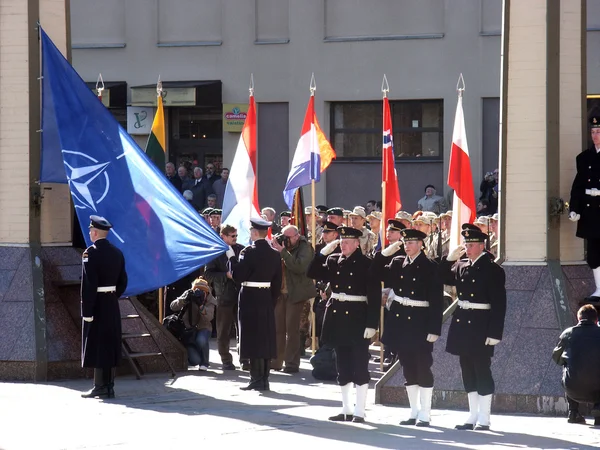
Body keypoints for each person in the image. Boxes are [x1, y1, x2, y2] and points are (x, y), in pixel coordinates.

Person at [307, 227, 380, 423]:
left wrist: (372, 324)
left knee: (359, 365)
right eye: (341, 241)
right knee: (342, 365)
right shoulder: (333, 260)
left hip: (357, 318)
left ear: (358, 244)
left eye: (347, 241)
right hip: (338, 317)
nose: (343, 244)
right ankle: (346, 408)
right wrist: (321, 253)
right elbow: (312, 272)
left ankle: (360, 411)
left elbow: (374, 296)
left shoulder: (366, 264)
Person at [374, 228, 443, 427]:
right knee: (407, 368)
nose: (407, 246)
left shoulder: (430, 266)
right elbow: (374, 272)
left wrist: (434, 329)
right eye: (405, 243)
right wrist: (384, 253)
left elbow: (436, 300)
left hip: (420, 321)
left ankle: (426, 413)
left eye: (411, 242)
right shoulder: (398, 263)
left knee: (423, 367)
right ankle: (414, 411)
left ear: (421, 244)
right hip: (400, 320)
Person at [440, 225, 507, 431]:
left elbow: (499, 304)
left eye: (471, 245)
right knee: (467, 369)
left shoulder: (493, 269)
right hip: (462, 322)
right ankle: (472, 415)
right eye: (466, 245)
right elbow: (442, 277)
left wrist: (495, 333)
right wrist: (449, 259)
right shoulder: (461, 265)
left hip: (481, 324)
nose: (467, 249)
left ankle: (484, 418)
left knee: (481, 369)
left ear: (481, 246)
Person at [231, 218, 282, 391]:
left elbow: (238, 275)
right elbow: (277, 283)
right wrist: (271, 300)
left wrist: (232, 259)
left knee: (252, 338)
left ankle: (255, 379)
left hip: (250, 297)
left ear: (254, 233)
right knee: (265, 338)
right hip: (266, 297)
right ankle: (264, 379)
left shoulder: (248, 252)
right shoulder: (275, 254)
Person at [80, 216, 128, 399]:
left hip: (98, 303)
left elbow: (89, 285)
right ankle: (109, 386)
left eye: (91, 230)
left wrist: (87, 311)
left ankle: (100, 386)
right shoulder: (117, 253)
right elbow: (123, 281)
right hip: (111, 303)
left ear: (95, 232)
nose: (90, 233)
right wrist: (113, 295)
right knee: (110, 343)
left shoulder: (90, 254)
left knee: (99, 344)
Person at [270, 225, 315, 373]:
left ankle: (291, 363)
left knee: (292, 329)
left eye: (288, 238)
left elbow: (299, 267)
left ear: (296, 236)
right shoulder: (281, 247)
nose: (285, 240)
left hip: (296, 293)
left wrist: (282, 251)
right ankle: (276, 361)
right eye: (284, 236)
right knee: (278, 329)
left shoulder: (305, 247)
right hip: (280, 293)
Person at [203, 225, 245, 370]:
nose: (235, 238)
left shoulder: (241, 249)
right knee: (223, 330)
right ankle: (226, 359)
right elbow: (208, 274)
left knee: (242, 329)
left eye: (236, 236)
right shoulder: (215, 252)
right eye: (232, 236)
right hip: (224, 296)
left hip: (241, 294)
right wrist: (225, 276)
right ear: (224, 236)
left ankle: (244, 358)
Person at [552, 304, 600, 426]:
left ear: (578, 318)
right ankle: (598, 410)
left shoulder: (568, 333)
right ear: (596, 320)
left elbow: (557, 358)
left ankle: (573, 412)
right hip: (597, 390)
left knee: (567, 367)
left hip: (573, 389)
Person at [569, 116, 600, 301]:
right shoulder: (584, 158)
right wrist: (574, 208)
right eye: (593, 132)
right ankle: (599, 288)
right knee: (594, 251)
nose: (595, 136)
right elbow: (578, 186)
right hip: (590, 211)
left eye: (598, 132)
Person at [169, 278, 217, 370]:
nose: (200, 293)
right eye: (197, 290)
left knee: (201, 340)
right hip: (188, 329)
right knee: (195, 360)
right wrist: (184, 300)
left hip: (204, 327)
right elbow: (172, 306)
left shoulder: (210, 299)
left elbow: (209, 317)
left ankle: (205, 363)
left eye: (203, 291)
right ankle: (193, 356)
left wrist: (201, 305)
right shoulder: (189, 293)